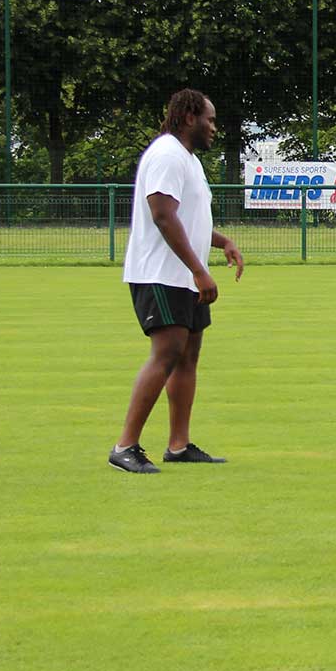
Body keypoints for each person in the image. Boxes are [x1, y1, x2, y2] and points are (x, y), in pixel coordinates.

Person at [110, 89, 244, 473]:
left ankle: (178, 445)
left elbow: (188, 219)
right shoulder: (168, 154)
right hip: (161, 274)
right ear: (189, 117)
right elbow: (163, 216)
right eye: (211, 120)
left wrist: (221, 242)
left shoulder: (188, 160)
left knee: (188, 356)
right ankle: (125, 446)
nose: (214, 128)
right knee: (167, 354)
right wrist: (199, 270)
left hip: (182, 275)